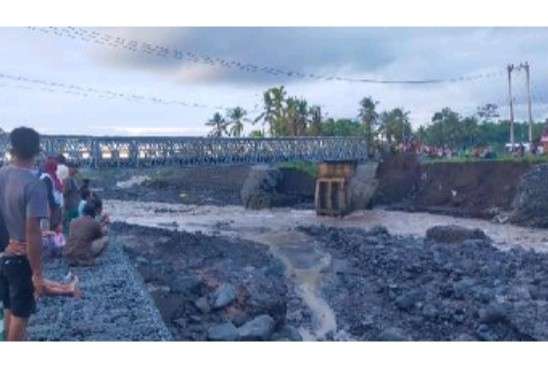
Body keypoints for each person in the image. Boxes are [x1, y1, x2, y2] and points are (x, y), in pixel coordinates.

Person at [0, 127, 49, 341]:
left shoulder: (2, 174)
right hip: (21, 257)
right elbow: (33, 233)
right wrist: (38, 273)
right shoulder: (34, 185)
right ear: (37, 152)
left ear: (12, 149)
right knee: (21, 315)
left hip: (5, 255)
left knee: (9, 306)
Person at [64, 199, 108, 266]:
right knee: (105, 239)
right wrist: (104, 228)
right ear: (93, 212)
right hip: (83, 253)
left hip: (69, 253)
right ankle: (90, 259)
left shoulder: (73, 221)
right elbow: (100, 235)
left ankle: (74, 259)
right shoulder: (94, 223)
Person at [40, 157, 63, 230]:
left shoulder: (54, 176)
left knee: (55, 229)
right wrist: (51, 208)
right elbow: (48, 195)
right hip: (50, 208)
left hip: (56, 207)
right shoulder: (46, 178)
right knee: (50, 229)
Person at [63, 163, 80, 229]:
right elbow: (66, 191)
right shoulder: (68, 178)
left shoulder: (73, 178)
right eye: (75, 168)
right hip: (71, 204)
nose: (77, 171)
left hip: (74, 204)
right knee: (72, 223)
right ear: (70, 169)